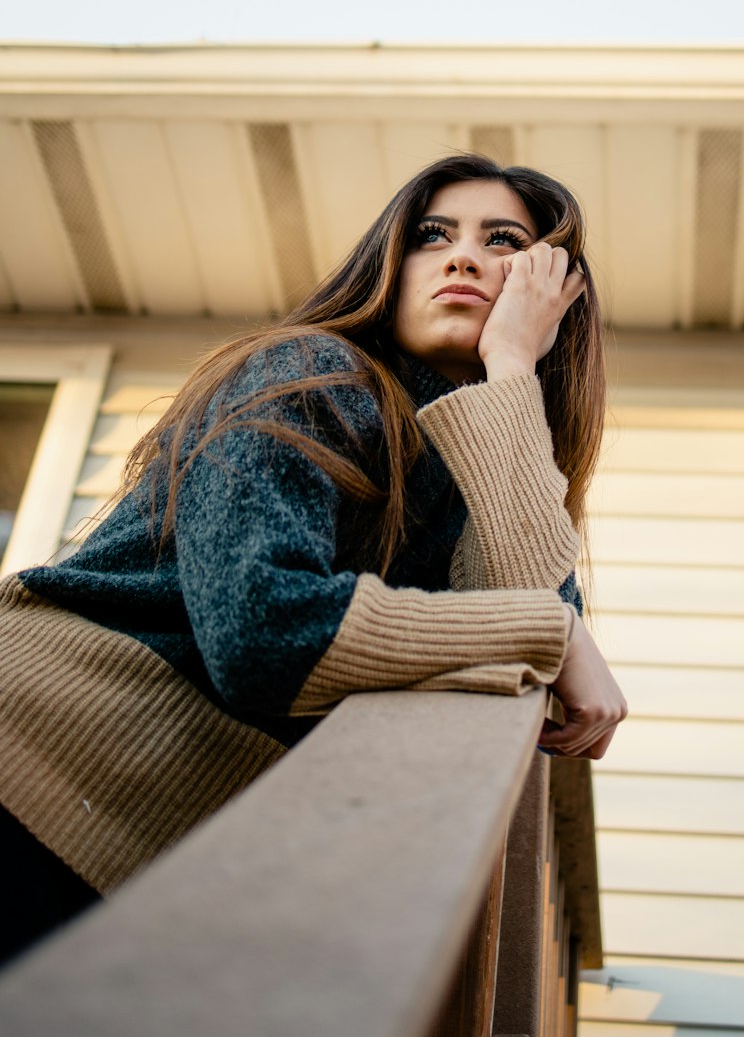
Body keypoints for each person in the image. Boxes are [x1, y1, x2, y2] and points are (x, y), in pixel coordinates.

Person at [0, 152, 627, 965]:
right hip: (34, 754)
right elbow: (265, 629)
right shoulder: (310, 370)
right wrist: (553, 629)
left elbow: (522, 643)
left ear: (552, 292)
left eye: (504, 241)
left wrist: (511, 368)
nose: (463, 256)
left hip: (144, 844)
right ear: (389, 267)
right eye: (431, 236)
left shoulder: (486, 459)